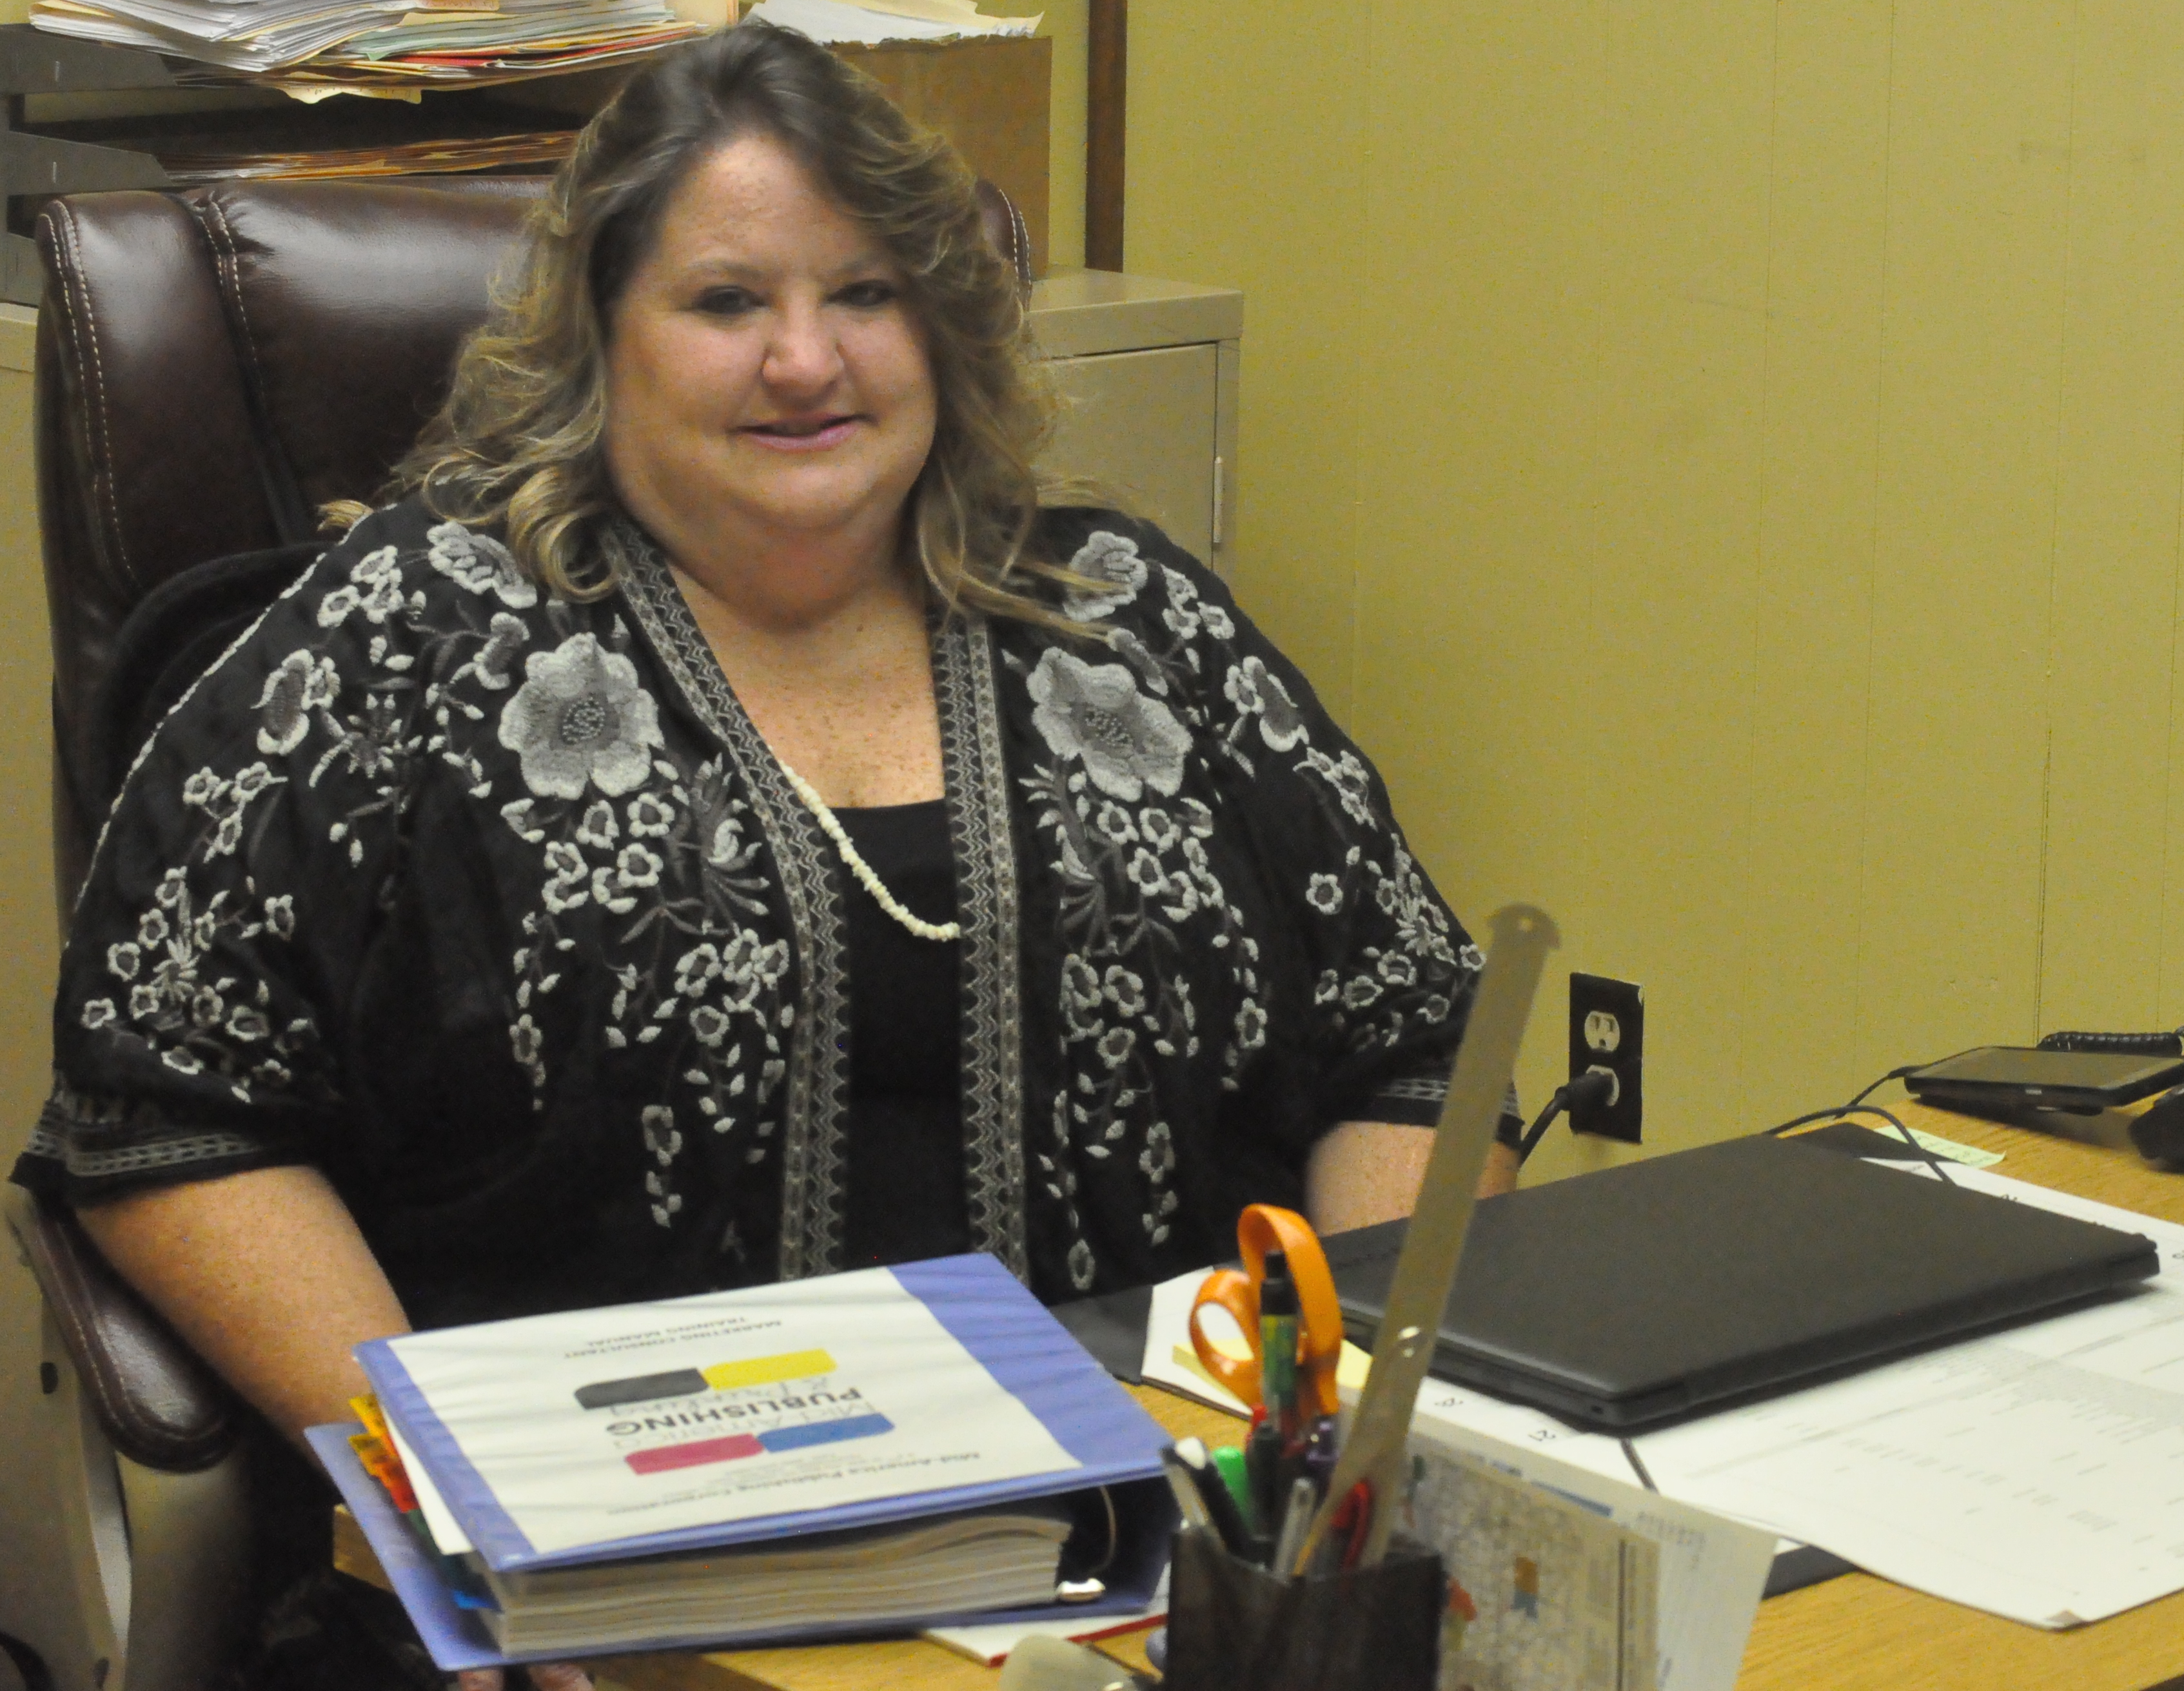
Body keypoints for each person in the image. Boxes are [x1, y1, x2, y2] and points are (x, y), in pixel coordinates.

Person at [12, 21, 1519, 1689]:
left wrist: (1328, 1439)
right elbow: (167, 1109)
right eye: (727, 302)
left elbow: (1415, 1046)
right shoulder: (412, 640)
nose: (807, 360)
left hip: (1148, 1573)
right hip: (596, 1606)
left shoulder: (1127, 618)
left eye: (865, 293)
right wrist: (429, 1484)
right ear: (601, 339)